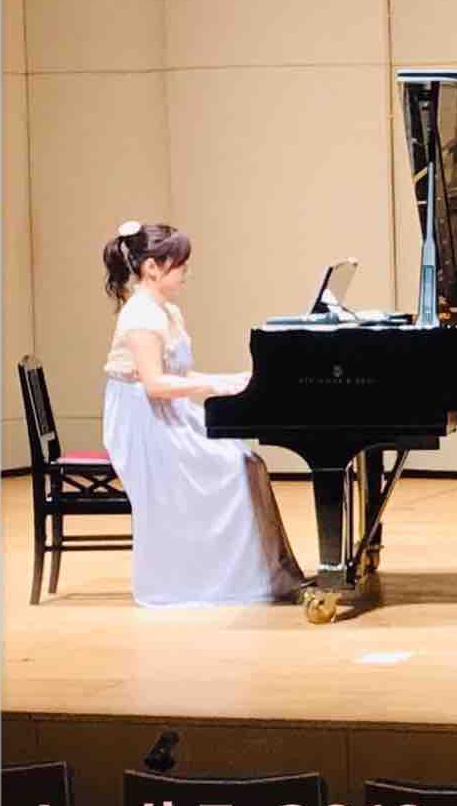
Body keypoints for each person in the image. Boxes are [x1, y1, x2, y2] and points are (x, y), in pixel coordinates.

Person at [101, 220, 306, 606]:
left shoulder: (167, 311)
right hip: (142, 422)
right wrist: (213, 387)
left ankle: (258, 572)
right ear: (152, 268)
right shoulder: (141, 316)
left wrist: (230, 380)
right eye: (179, 264)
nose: (185, 272)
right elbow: (154, 384)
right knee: (230, 467)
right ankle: (224, 579)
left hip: (166, 412)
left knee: (245, 460)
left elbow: (180, 374)